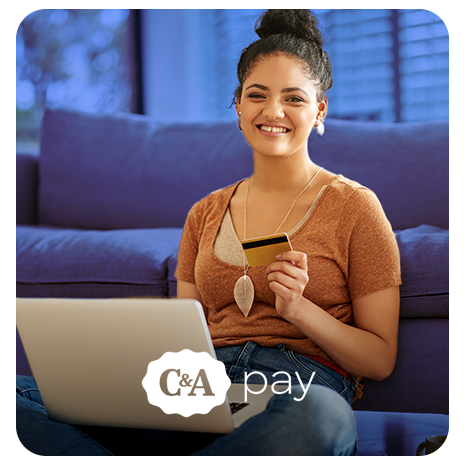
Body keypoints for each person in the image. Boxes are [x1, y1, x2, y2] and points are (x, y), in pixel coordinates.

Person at [16, 9, 401, 456]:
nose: (273, 111)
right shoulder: (204, 212)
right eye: (257, 95)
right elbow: (186, 339)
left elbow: (379, 360)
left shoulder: (356, 206)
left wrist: (299, 310)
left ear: (319, 111)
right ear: (239, 107)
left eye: (293, 98)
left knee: (320, 416)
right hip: (199, 389)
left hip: (298, 388)